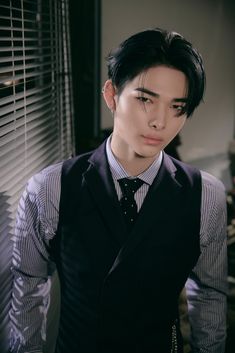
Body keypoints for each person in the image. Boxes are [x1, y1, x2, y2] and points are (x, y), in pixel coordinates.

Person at [10, 28, 227, 353]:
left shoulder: (206, 195)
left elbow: (209, 293)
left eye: (177, 107)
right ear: (111, 94)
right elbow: (27, 286)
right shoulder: (51, 187)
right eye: (145, 99)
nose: (159, 121)